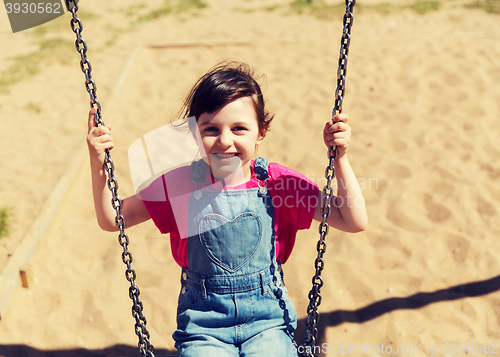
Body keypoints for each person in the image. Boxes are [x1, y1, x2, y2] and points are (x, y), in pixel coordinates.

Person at [86, 61, 367, 357]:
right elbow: (112, 219)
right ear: (195, 134)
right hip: (204, 325)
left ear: (261, 132)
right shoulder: (181, 184)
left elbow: (353, 219)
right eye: (211, 129)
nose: (225, 141)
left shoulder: (278, 183)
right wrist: (97, 163)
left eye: (239, 128)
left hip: (267, 321)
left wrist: (340, 160)